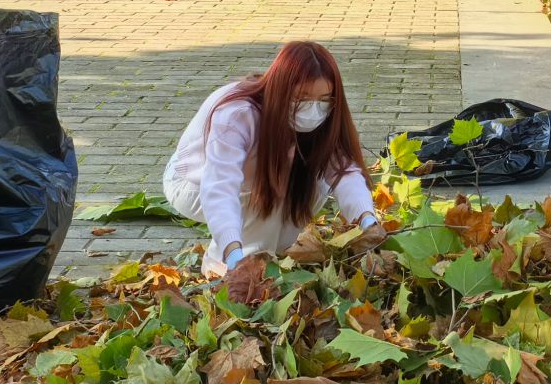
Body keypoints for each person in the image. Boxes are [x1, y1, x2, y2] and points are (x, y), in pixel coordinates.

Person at [163, 41, 386, 279]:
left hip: (257, 178)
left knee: (314, 185)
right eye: (302, 98)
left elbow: (345, 172)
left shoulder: (327, 117)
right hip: (194, 183)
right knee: (267, 198)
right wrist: (232, 250)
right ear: (282, 90)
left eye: (323, 99)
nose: (313, 109)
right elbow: (220, 186)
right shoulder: (238, 114)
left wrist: (367, 221)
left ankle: (274, 252)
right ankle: (225, 266)